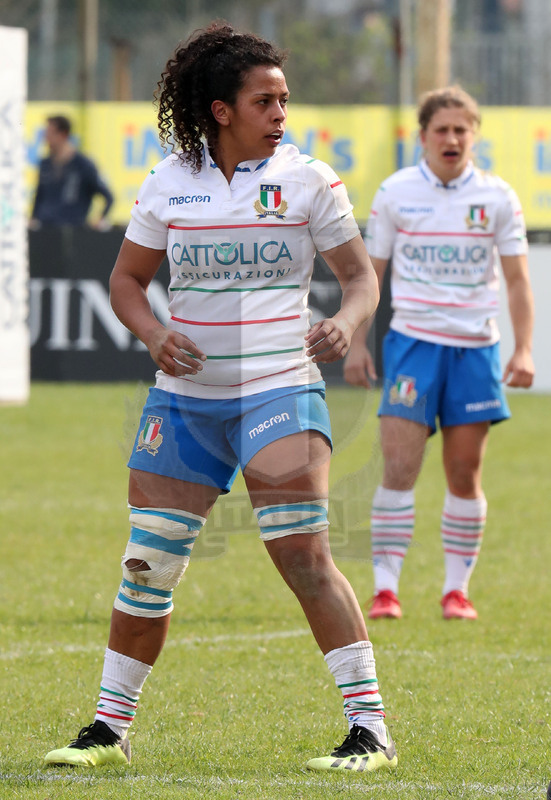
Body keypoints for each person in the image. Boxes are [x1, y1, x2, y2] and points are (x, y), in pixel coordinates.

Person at [43, 22, 397, 775]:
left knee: (302, 554)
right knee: (147, 564)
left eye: (284, 99)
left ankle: (370, 730)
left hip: (279, 389)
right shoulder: (168, 182)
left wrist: (345, 321)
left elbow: (360, 279)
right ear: (220, 109)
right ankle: (108, 731)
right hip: (184, 401)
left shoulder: (311, 180)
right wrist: (152, 334)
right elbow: (126, 281)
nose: (280, 114)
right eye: (264, 101)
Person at [344, 85, 534, 621]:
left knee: (465, 472)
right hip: (413, 346)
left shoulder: (498, 197)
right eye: (442, 130)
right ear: (423, 136)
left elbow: (518, 281)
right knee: (399, 467)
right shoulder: (396, 192)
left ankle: (456, 591)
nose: (452, 138)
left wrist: (524, 349)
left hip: (475, 350)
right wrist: (357, 342)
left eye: (461, 130)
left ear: (474, 136)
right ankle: (386, 591)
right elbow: (370, 275)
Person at [30, 115, 114, 228]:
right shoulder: (45, 164)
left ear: (63, 134)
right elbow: (39, 197)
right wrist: (33, 219)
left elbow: (108, 196)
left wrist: (100, 219)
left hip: (73, 231)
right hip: (45, 229)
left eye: (50, 133)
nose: (46, 138)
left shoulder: (83, 165)